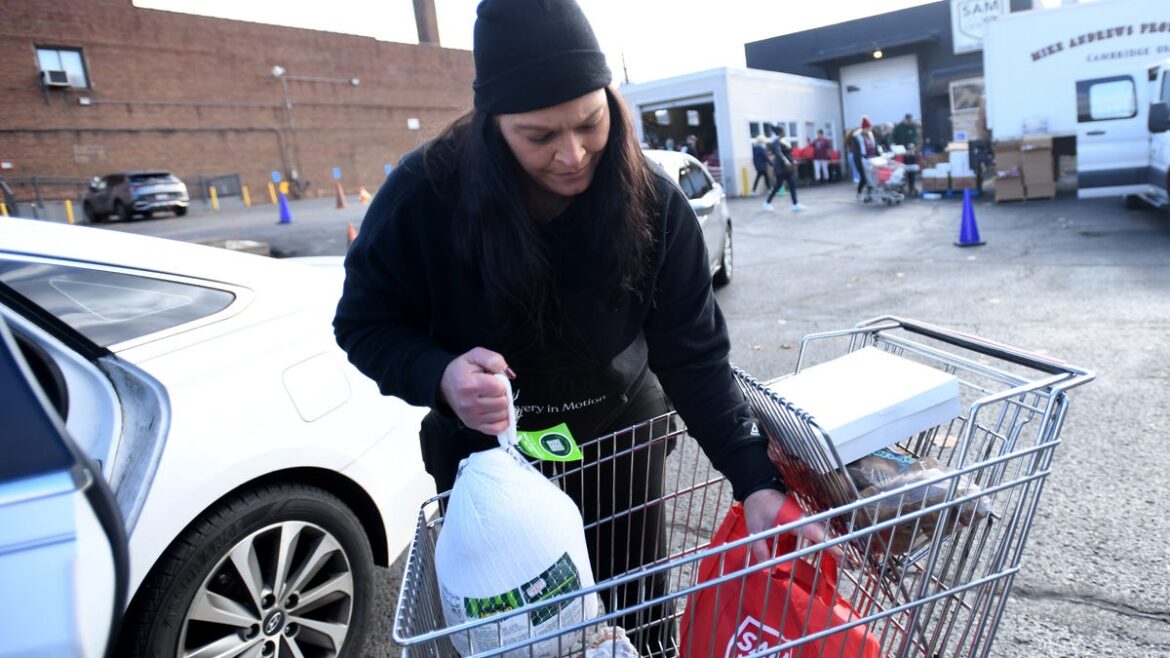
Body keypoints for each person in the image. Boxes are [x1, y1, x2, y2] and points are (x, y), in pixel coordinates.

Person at [333, 0, 801, 653]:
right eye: (539, 136)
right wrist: (440, 375)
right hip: (487, 467)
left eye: (589, 122)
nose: (572, 154)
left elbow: (692, 355)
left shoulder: (654, 202)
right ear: (494, 123)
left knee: (636, 620)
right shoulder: (425, 195)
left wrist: (753, 478)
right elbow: (364, 323)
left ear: (611, 99)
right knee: (516, 636)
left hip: (617, 451)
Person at [762, 126, 806, 212]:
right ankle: (767, 203)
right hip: (781, 169)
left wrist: (793, 160)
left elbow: (788, 153)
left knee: (792, 185)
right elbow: (778, 154)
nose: (784, 133)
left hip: (788, 168)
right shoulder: (776, 142)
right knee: (778, 186)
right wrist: (787, 162)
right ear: (780, 133)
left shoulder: (784, 141)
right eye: (783, 131)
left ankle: (795, 204)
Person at [851, 116, 877, 201]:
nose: (870, 129)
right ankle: (859, 192)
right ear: (864, 128)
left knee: (871, 177)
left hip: (870, 159)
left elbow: (874, 147)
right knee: (865, 177)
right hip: (861, 160)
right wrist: (859, 162)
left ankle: (870, 194)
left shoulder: (870, 135)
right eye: (868, 127)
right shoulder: (857, 137)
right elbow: (856, 152)